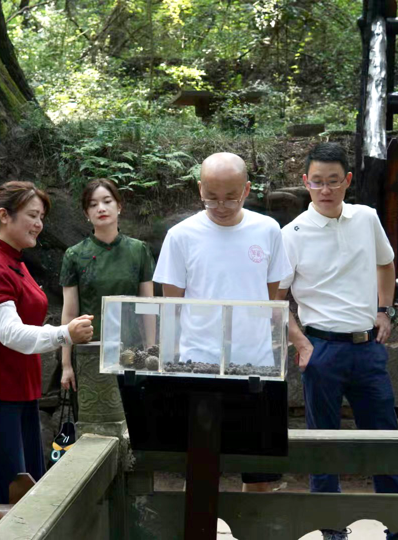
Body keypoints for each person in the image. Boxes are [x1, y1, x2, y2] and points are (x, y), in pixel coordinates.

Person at [277, 143, 398, 540]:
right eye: (317, 182)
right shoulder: (291, 234)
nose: (325, 190)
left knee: (384, 436)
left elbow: (386, 263)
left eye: (334, 181)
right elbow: (275, 300)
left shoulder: (366, 218)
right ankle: (329, 526)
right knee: (324, 441)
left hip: (367, 346)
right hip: (322, 348)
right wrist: (301, 343)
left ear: (347, 181)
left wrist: (384, 310)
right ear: (305, 182)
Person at [153, 152, 292, 493]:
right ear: (199, 188)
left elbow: (271, 297)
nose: (221, 206)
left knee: (260, 473)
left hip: (256, 363)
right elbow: (173, 306)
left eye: (231, 197)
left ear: (247, 189)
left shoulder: (267, 229)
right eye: (211, 197)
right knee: (200, 472)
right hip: (198, 364)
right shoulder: (181, 235)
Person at [0, 181, 94, 504]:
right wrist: (64, 334)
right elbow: (10, 333)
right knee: (6, 496)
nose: (39, 224)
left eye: (41, 217)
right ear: (4, 215)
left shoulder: (13, 260)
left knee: (26, 490)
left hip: (17, 391)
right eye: (32, 215)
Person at [59, 178, 156, 393]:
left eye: (107, 201)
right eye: (93, 204)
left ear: (119, 206)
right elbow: (70, 313)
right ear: (86, 213)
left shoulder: (138, 250)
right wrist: (66, 364)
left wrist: (151, 353)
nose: (101, 208)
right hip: (90, 350)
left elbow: (148, 307)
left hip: (132, 351)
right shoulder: (74, 255)